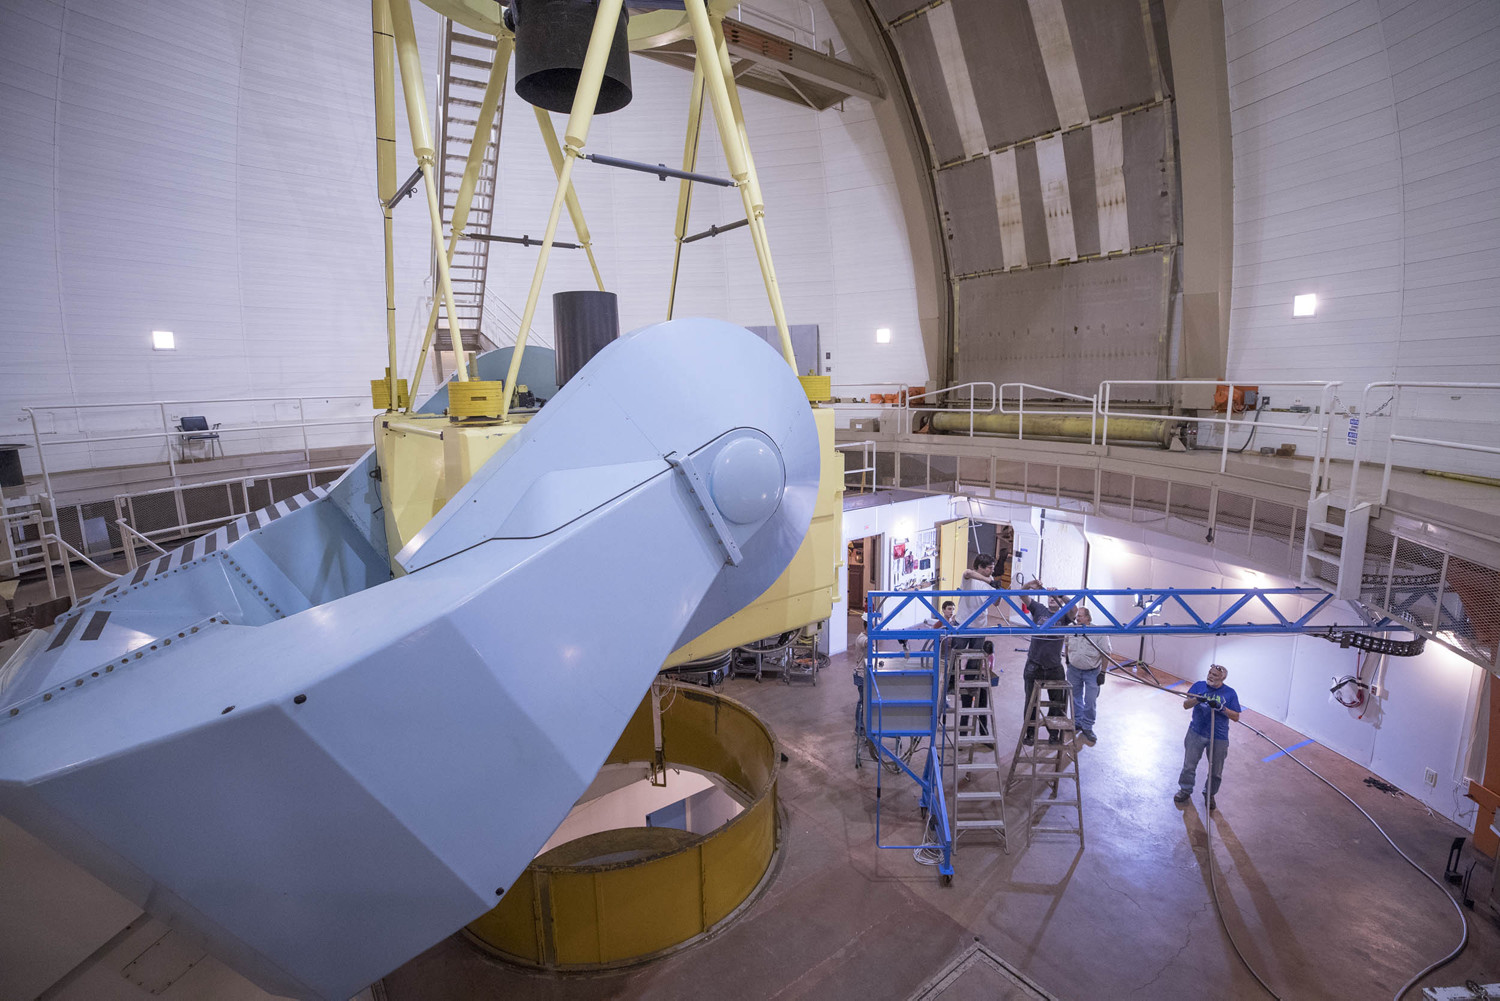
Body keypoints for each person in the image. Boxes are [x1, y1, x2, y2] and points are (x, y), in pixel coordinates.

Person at [1174, 664, 1242, 809]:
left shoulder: (1230, 693)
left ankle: (1209, 794)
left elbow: (1236, 716)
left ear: (1222, 678)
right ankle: (1185, 790)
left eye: (1215, 675)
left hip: (1218, 736)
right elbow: (1186, 705)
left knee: (1216, 770)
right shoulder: (1199, 686)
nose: (1210, 676)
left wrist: (1221, 708)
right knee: (1189, 765)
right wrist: (1198, 699)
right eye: (1210, 673)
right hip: (1196, 732)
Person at [1020, 580, 1073, 746]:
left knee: (1057, 704)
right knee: (1031, 702)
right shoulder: (1039, 609)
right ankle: (1029, 734)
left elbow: (1074, 610)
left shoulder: (1064, 615)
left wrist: (1061, 593)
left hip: (1054, 667)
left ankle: (1054, 734)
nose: (1051, 598)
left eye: (1054, 597)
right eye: (1050, 596)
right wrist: (1030, 584)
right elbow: (1022, 594)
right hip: (1034, 664)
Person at [1064, 608, 1117, 746]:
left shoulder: (1098, 632)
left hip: (1092, 672)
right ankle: (1077, 722)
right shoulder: (1071, 629)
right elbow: (1067, 643)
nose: (1077, 619)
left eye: (1080, 617)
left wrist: (1103, 673)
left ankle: (1087, 727)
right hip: (1074, 670)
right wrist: (1068, 660)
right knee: (1075, 697)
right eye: (1076, 617)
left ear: (1088, 618)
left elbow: (1106, 653)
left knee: (1090, 700)